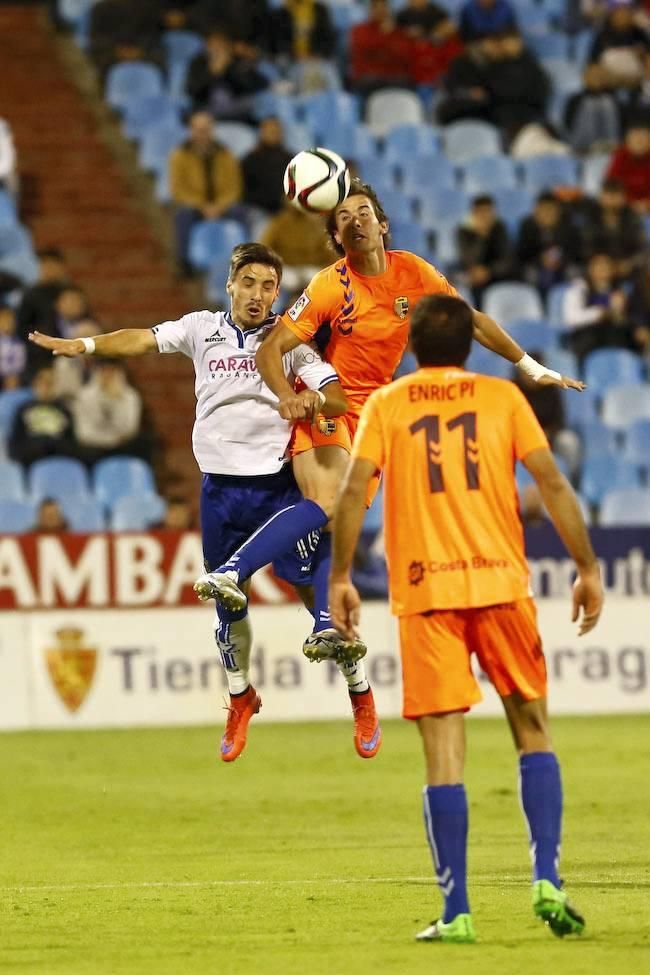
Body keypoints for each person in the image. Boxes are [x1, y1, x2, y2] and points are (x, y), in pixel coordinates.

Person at [196, 178, 584, 714]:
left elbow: (471, 321)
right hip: (327, 402)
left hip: (374, 413)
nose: (355, 219)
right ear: (337, 236)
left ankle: (328, 630)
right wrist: (289, 398)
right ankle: (233, 574)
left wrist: (529, 366)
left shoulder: (414, 273)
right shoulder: (333, 285)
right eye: (344, 216)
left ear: (382, 224)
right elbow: (274, 350)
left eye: (364, 212)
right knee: (330, 503)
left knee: (339, 515)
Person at [328, 293, 604, 944]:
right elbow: (554, 485)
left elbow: (349, 493)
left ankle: (457, 911)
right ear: (471, 345)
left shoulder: (389, 404)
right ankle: (547, 879)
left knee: (443, 755)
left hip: (427, 593)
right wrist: (587, 566)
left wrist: (339, 578)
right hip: (500, 580)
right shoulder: (503, 398)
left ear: (412, 345)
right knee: (533, 729)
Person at [28, 243, 369, 764]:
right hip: (218, 491)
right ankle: (240, 696)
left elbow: (340, 395)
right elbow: (141, 340)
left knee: (314, 599)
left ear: (278, 294)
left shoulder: (290, 344)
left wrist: (313, 399)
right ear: (230, 283)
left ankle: (359, 688)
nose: (258, 295)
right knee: (228, 605)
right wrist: (89, 346)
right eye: (249, 283)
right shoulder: (199, 327)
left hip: (275, 487)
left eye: (269, 287)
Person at [169, 111, 243, 274]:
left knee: (240, 212)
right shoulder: (179, 156)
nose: (203, 134)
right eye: (198, 130)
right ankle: (185, 263)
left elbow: (234, 187)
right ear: (191, 131)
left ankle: (243, 261)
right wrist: (202, 206)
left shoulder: (226, 155)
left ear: (212, 131)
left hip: (221, 206)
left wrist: (219, 206)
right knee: (183, 216)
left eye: (206, 130)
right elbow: (178, 190)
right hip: (196, 206)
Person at [562, 251, 641, 358]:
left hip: (612, 335)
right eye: (599, 265)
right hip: (587, 336)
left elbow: (622, 320)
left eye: (607, 265)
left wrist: (620, 311)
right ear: (591, 269)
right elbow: (571, 318)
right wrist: (598, 313)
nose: (604, 269)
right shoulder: (579, 287)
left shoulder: (618, 290)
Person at [73, 358, 147, 464]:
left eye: (112, 371)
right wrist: (109, 440)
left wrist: (116, 400)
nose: (107, 375)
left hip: (120, 446)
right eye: (104, 370)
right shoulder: (85, 396)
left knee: (139, 445)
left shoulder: (131, 396)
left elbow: (129, 429)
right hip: (94, 447)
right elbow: (83, 433)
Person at [184, 29, 269, 121]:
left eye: (221, 45)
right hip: (207, 109)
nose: (217, 49)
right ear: (206, 47)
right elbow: (192, 91)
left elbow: (255, 85)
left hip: (236, 110)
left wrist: (230, 68)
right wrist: (212, 73)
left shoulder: (237, 61)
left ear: (228, 47)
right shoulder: (198, 63)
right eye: (213, 45)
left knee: (256, 102)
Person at [8, 367, 77, 467]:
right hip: (30, 461)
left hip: (58, 462)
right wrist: (41, 444)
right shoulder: (23, 410)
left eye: (49, 383)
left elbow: (72, 446)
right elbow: (15, 445)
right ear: (35, 385)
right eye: (41, 383)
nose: (45, 387)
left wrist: (51, 444)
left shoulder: (64, 411)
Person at [516, 192, 582, 296]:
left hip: (562, 265)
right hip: (536, 265)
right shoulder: (527, 226)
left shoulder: (568, 227)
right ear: (536, 211)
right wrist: (540, 259)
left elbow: (575, 252)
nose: (547, 214)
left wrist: (560, 260)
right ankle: (535, 303)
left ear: (558, 211)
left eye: (551, 210)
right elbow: (522, 254)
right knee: (530, 273)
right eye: (543, 210)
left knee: (574, 272)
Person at [259, 201, 333, 292]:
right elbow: (263, 250)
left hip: (311, 271)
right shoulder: (278, 223)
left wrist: (320, 270)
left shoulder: (316, 225)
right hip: (285, 271)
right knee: (287, 283)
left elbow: (331, 255)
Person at [581, 177, 647, 276]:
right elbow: (586, 247)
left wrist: (630, 263)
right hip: (597, 268)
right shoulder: (590, 217)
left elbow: (642, 249)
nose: (611, 200)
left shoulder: (632, 218)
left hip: (628, 268)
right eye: (608, 195)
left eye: (616, 195)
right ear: (601, 197)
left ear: (623, 198)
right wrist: (605, 264)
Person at [456, 194, 513, 307]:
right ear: (474, 213)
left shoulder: (500, 228)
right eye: (481, 212)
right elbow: (468, 259)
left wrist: (489, 271)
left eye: (488, 212)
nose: (485, 216)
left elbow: (507, 259)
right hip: (473, 276)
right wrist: (481, 237)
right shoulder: (463, 231)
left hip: (496, 276)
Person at [348, 0, 413, 97]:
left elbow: (403, 55)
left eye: (383, 7)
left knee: (406, 82)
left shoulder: (399, 32)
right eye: (376, 7)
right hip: (369, 79)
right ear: (370, 10)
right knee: (370, 82)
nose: (380, 11)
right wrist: (384, 36)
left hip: (395, 79)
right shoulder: (359, 30)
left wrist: (388, 37)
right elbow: (366, 49)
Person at [241, 118, 293, 222]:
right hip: (258, 209)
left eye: (276, 131)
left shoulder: (291, 159)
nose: (273, 134)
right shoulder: (250, 160)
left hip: (287, 210)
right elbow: (244, 192)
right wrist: (276, 199)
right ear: (261, 133)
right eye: (270, 131)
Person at [605, 121, 650, 210]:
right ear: (627, 141)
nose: (638, 143)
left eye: (642, 139)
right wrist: (630, 205)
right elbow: (612, 187)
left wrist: (646, 204)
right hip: (623, 209)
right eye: (635, 139)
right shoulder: (619, 156)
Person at [0, 304, 26, 390]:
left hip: (17, 381)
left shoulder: (21, 342)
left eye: (11, 319)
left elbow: (21, 364)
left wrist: (14, 377)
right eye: (4, 319)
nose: (9, 322)